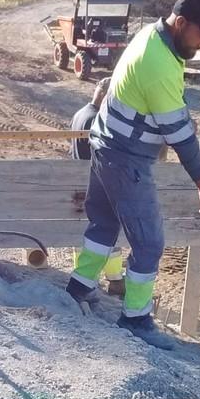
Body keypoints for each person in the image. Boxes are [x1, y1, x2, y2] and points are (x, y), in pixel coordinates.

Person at [65, 0, 200, 350]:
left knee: (104, 223)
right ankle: (136, 319)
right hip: (124, 158)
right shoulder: (157, 63)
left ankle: (78, 287)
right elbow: (181, 137)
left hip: (106, 143)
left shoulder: (155, 37)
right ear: (182, 23)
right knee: (150, 242)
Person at [70, 78, 126, 295]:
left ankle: (84, 274)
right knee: (106, 230)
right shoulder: (96, 119)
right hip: (94, 181)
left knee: (85, 235)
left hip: (80, 181)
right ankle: (114, 279)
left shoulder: (80, 113)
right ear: (105, 96)